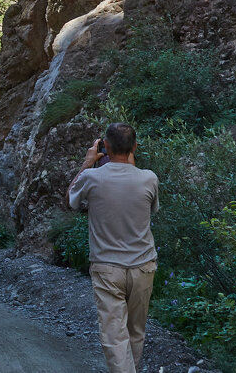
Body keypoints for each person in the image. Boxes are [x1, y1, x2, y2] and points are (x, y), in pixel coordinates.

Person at [67, 123, 160, 373]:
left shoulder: (91, 177)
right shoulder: (149, 178)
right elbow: (151, 210)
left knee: (114, 337)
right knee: (135, 333)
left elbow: (71, 199)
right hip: (143, 267)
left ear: (104, 147)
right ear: (135, 147)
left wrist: (88, 162)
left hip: (107, 268)